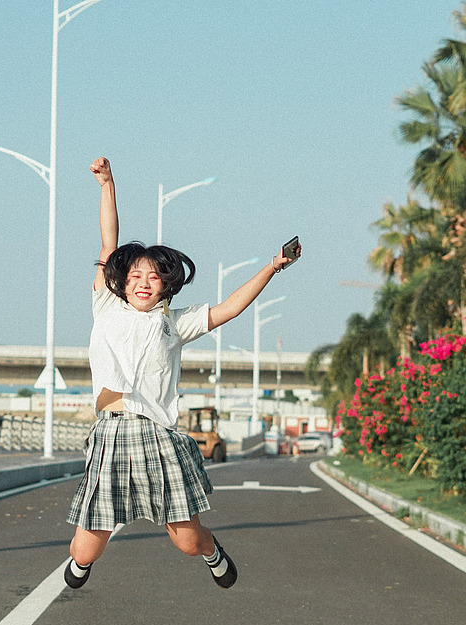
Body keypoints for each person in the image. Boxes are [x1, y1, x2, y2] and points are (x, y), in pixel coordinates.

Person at [62, 156, 301, 590]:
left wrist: (271, 266)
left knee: (187, 541)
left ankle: (212, 551)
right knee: (84, 550)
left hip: (156, 434)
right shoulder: (106, 304)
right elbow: (107, 243)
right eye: (135, 275)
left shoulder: (174, 321)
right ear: (121, 281)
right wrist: (107, 184)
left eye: (153, 277)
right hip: (111, 432)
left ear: (165, 284)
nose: (143, 282)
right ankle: (81, 562)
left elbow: (229, 308)